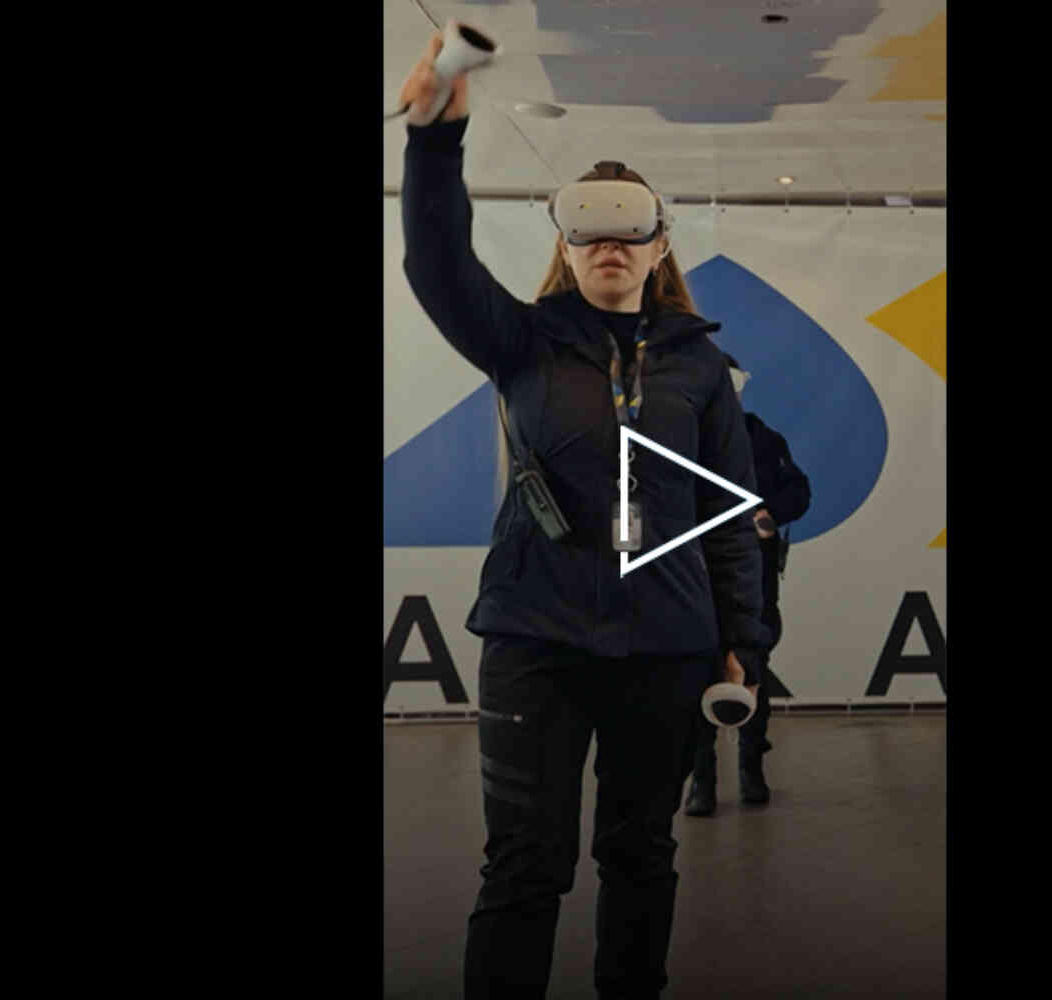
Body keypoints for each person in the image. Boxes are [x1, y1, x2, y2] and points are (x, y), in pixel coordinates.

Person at [398, 28, 770, 1000]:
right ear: (564, 247)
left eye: (630, 229)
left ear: (659, 246)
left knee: (642, 855)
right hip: (536, 639)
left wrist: (744, 642)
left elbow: (728, 514)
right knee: (525, 864)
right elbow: (435, 260)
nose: (610, 244)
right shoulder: (518, 341)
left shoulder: (700, 366)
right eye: (589, 230)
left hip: (667, 645)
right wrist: (434, 140)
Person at [685, 356, 812, 815]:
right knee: (698, 667)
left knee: (752, 662)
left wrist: (768, 515)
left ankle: (751, 767)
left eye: (730, 383)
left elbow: (798, 491)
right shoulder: (679, 440)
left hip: (754, 574)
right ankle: (701, 778)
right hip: (694, 573)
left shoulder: (763, 438)